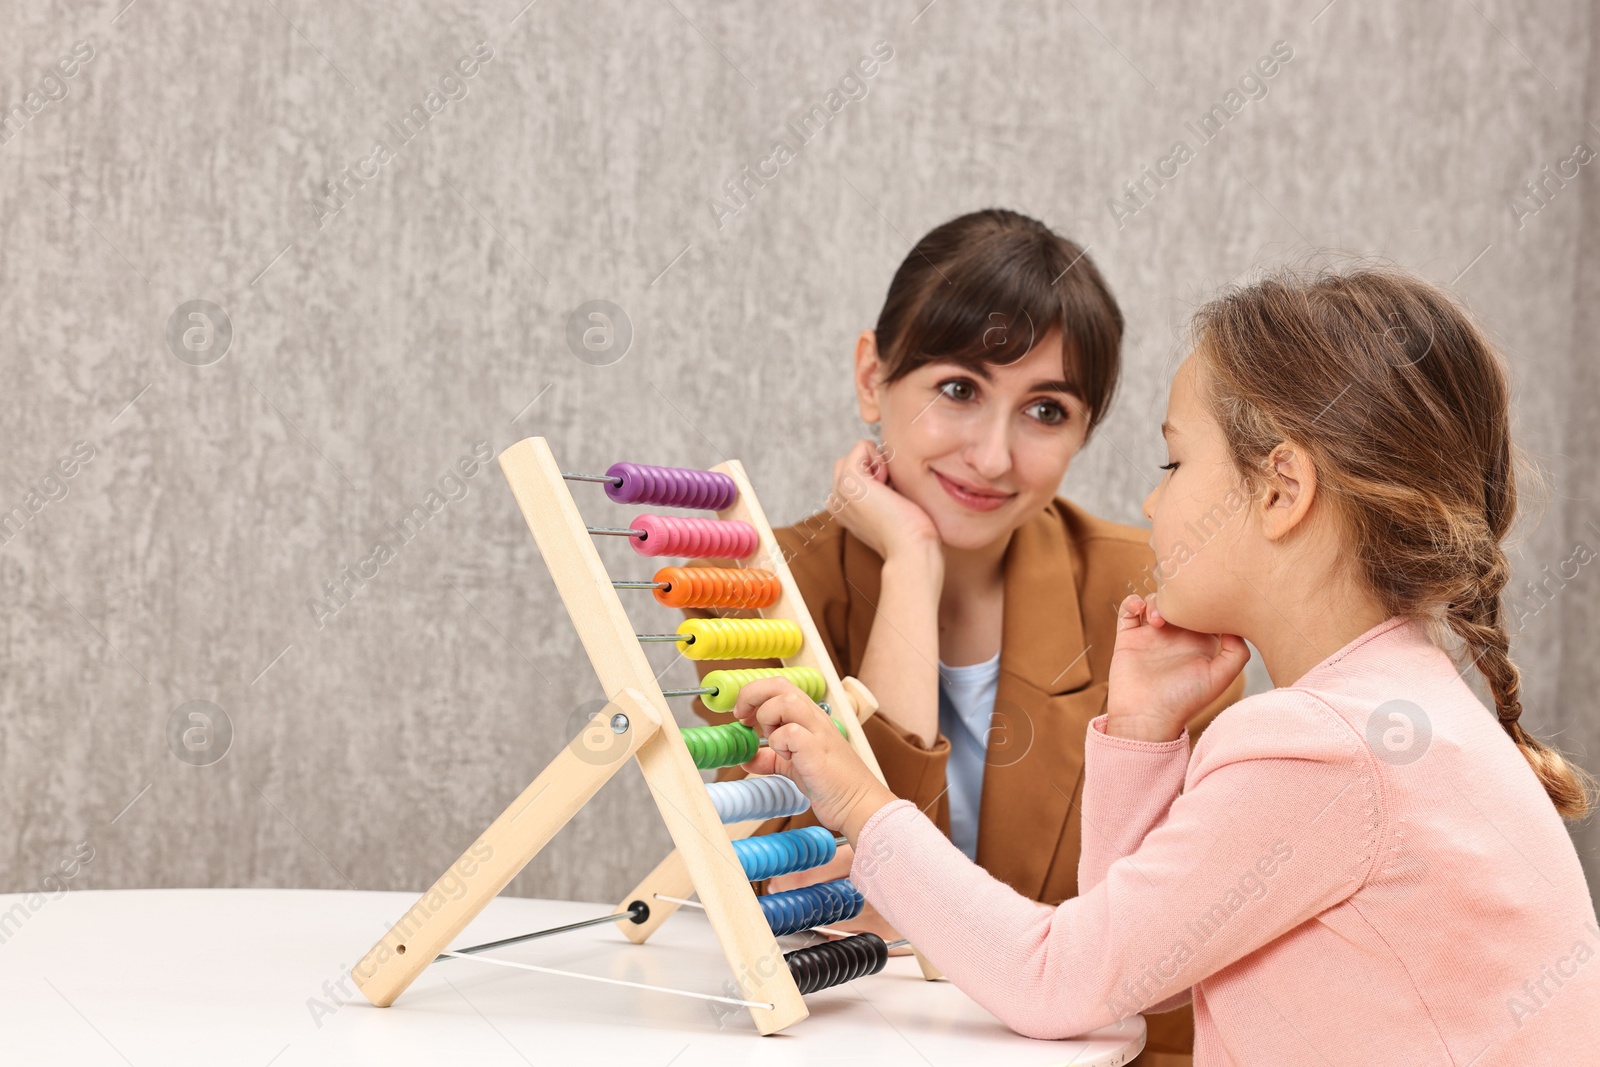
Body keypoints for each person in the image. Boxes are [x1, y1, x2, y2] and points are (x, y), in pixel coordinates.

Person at [728, 265, 1600, 1063]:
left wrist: (861, 803)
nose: (1151, 501)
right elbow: (1142, 972)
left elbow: (1056, 978)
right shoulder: (1393, 705)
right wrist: (1142, 734)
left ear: (1280, 491)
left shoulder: (1319, 744)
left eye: (1174, 461)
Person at [684, 208, 1243, 1065]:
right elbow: (841, 917)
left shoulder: (1156, 593)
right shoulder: (761, 592)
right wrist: (910, 568)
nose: (991, 456)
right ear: (873, 377)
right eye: (957, 389)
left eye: (1045, 410)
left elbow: (1165, 952)